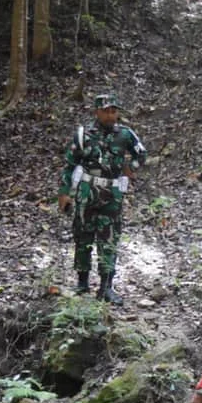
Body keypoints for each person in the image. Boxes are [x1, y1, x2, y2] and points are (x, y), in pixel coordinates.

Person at [57, 92, 146, 306]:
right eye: (106, 111)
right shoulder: (83, 135)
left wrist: (130, 167)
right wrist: (65, 193)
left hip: (111, 194)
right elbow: (70, 164)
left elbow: (141, 154)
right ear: (97, 112)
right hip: (87, 191)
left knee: (109, 240)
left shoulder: (125, 134)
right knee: (82, 236)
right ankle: (82, 283)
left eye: (113, 111)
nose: (110, 115)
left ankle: (106, 287)